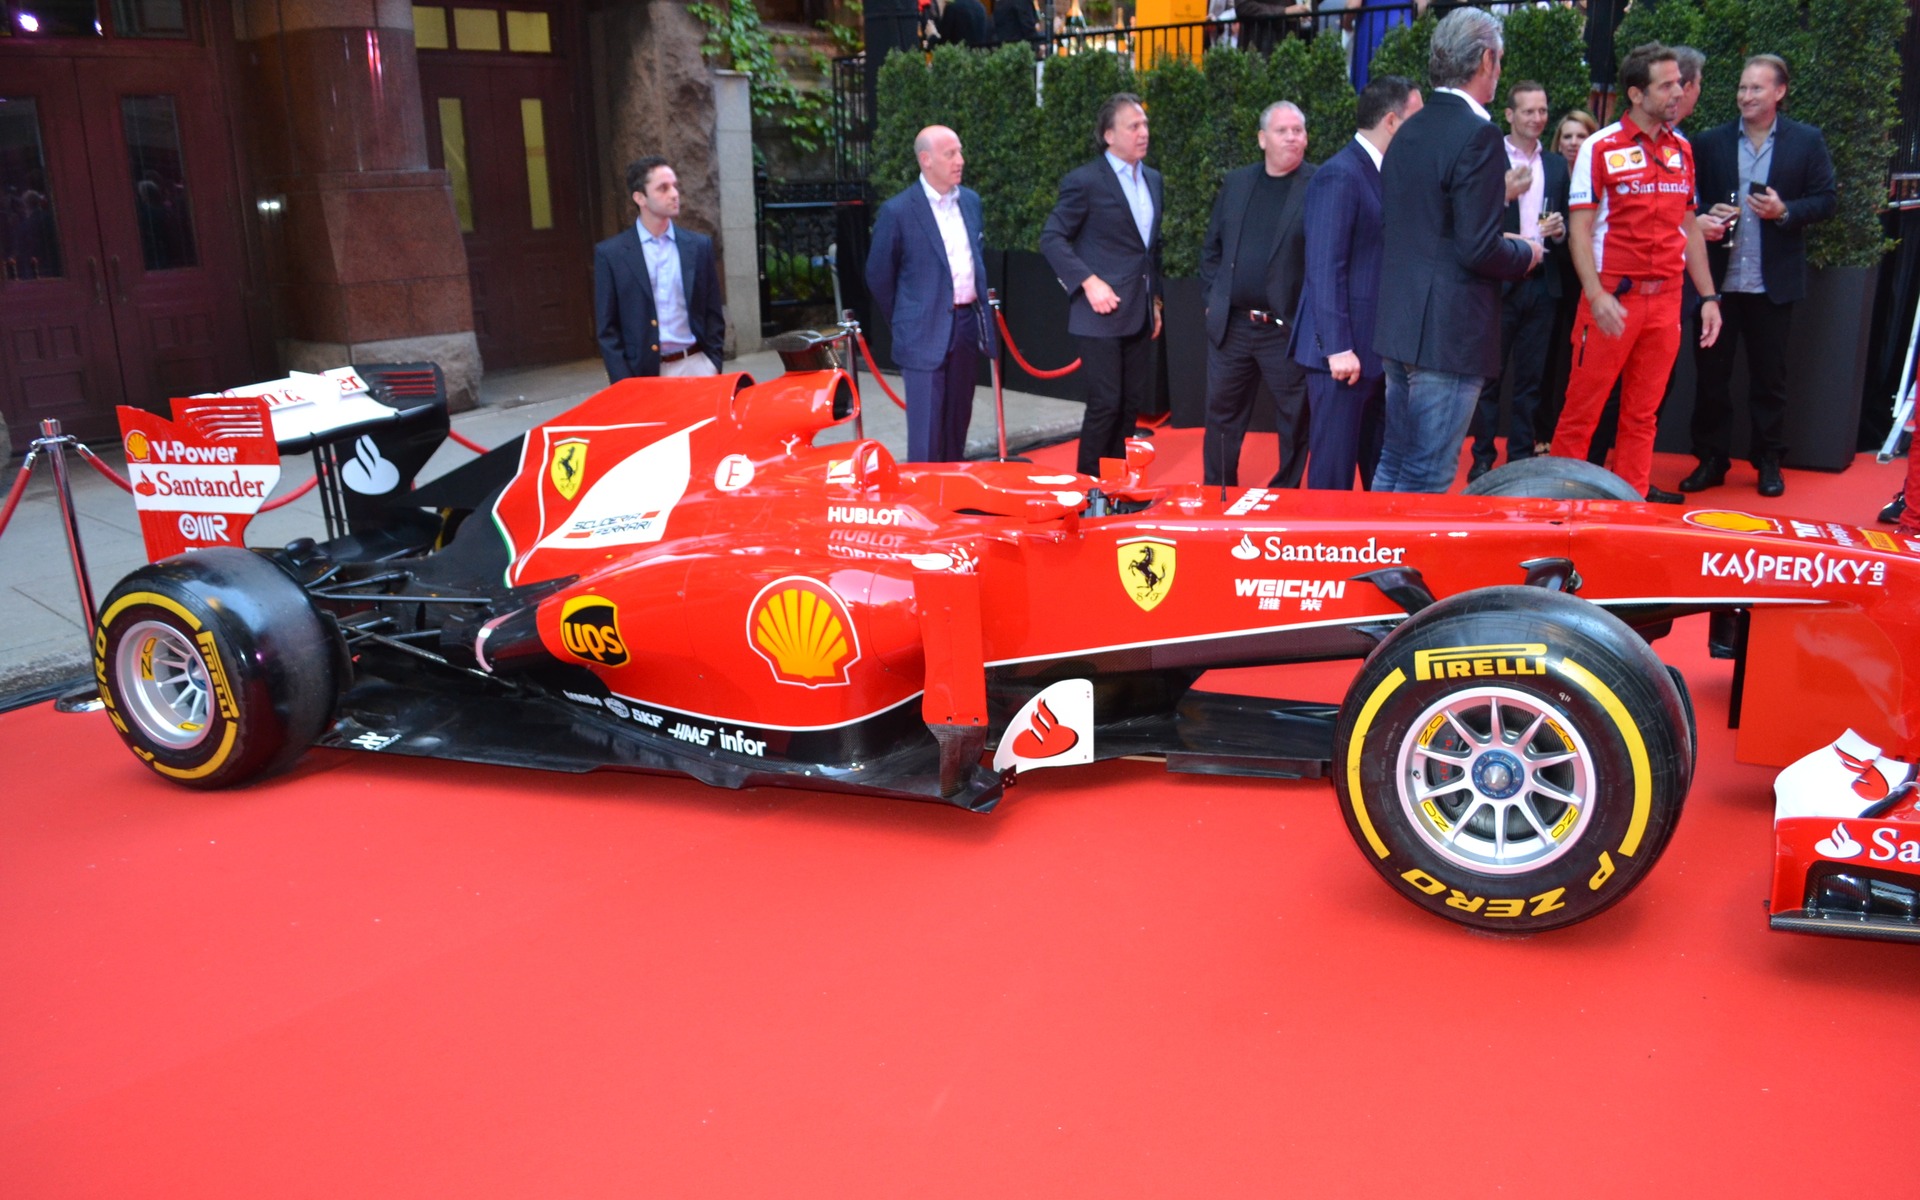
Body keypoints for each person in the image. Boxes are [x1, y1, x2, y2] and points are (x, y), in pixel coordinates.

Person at [1372, 7, 1539, 494]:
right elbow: (1477, 249)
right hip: (1449, 334)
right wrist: (1527, 254)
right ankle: (1401, 550)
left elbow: (1425, 225)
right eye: (1499, 59)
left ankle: (1376, 543)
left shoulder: (1408, 129)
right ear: (1486, 60)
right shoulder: (1478, 134)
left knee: (1394, 463)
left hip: (1401, 324)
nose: (1500, 69)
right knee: (1426, 474)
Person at [1549, 43, 1723, 503]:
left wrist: (1709, 297)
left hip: (1666, 299)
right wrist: (1596, 295)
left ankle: (1629, 508)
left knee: (1642, 416)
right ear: (1636, 94)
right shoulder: (1600, 147)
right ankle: (1555, 508)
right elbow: (1579, 231)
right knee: (1582, 412)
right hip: (1613, 296)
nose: (1678, 92)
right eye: (1666, 85)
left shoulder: (1683, 149)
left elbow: (1689, 228)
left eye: (1679, 83)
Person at [1676, 53, 1836, 499]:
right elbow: (1687, 201)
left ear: (1779, 92)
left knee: (1770, 379)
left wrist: (1785, 210)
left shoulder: (1806, 141)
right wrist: (1705, 215)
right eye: (1742, 87)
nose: (1745, 96)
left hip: (1772, 284)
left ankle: (1768, 460)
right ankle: (1711, 459)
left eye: (1756, 88)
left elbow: (1826, 199)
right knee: (1711, 377)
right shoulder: (1709, 142)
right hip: (1716, 284)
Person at [1291, 74, 1422, 491]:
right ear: (1391, 121)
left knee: (1382, 474)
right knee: (1332, 478)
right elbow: (1324, 266)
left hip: (1379, 356)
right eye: (1417, 118)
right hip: (1342, 358)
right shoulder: (1341, 174)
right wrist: (1337, 347)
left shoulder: (1386, 173)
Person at [1040, 93, 1164, 477]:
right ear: (1109, 135)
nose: (1144, 132)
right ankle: (1088, 490)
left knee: (1129, 404)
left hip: (1139, 310)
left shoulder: (1154, 180)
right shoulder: (1085, 181)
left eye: (1145, 124)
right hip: (1099, 313)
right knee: (1106, 403)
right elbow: (1052, 238)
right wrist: (1088, 282)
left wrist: (1156, 301)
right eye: (1134, 126)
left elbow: (1151, 249)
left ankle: (1116, 486)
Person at [1199, 102, 1317, 488]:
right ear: (1263, 139)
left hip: (1285, 330)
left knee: (1295, 419)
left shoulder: (1318, 184)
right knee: (1221, 417)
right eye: (1283, 131)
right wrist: (1212, 299)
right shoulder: (1236, 183)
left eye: (1298, 130)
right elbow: (1212, 248)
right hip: (1231, 326)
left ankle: (1285, 495)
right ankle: (1218, 494)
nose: (1292, 138)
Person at [864, 125, 996, 463]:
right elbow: (878, 275)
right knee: (925, 437)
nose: (960, 160)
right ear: (926, 160)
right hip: (921, 334)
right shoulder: (898, 211)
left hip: (965, 326)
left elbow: (976, 261)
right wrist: (908, 318)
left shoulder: (970, 202)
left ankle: (952, 491)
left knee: (957, 425)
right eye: (950, 154)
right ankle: (922, 495)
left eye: (960, 152)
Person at [1467, 81, 1570, 480]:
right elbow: (1471, 217)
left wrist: (1559, 231)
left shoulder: (1556, 165)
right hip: (1498, 281)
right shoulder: (1490, 158)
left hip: (1542, 283)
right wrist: (1504, 195)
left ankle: (1521, 459)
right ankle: (1482, 457)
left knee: (1531, 380)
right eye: (1529, 111)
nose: (1537, 118)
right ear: (1509, 114)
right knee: (1488, 377)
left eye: (1542, 111)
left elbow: (1567, 224)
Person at [593, 156, 726, 382]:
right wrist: (625, 382)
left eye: (674, 186)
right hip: (643, 375)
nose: (674, 194)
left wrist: (712, 363)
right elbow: (607, 329)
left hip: (696, 366)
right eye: (663, 188)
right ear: (640, 198)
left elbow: (713, 312)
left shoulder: (698, 246)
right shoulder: (611, 254)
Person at [1534, 107, 1601, 449]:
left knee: (1583, 365)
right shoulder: (1547, 175)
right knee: (1549, 361)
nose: (1574, 142)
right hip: (1554, 282)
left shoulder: (1602, 178)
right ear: (1558, 142)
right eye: (1568, 136)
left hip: (1591, 283)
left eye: (1582, 136)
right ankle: (1544, 433)